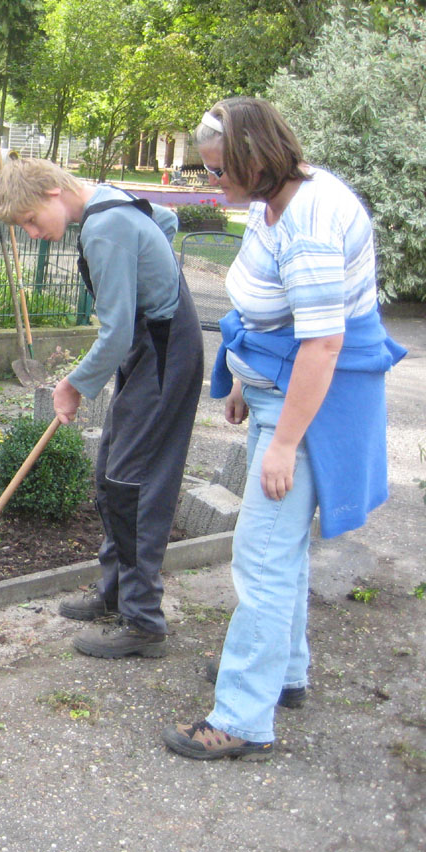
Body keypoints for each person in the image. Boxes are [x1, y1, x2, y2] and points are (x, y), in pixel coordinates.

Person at [162, 97, 406, 761]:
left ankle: (241, 718)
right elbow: (278, 318)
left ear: (253, 160)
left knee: (262, 560)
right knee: (282, 549)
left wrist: (287, 444)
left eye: (218, 171)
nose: (213, 183)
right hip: (278, 397)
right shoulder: (283, 202)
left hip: (308, 412)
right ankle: (284, 673)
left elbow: (323, 345)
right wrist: (245, 380)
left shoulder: (310, 226)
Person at [0, 155, 203, 659]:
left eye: (28, 220)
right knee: (112, 466)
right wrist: (151, 265)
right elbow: (164, 221)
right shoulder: (107, 201)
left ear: (50, 193)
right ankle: (115, 591)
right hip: (153, 346)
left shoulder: (105, 227)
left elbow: (114, 333)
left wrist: (72, 385)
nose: (31, 233)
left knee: (131, 482)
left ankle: (144, 620)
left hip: (163, 350)